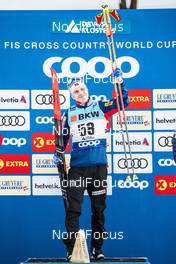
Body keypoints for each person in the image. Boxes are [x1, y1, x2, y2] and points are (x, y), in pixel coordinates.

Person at [53, 67, 129, 261]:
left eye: (83, 89)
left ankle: (97, 249)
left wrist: (121, 83)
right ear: (72, 95)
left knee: (98, 210)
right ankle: (71, 250)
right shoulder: (68, 114)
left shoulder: (101, 105)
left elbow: (122, 102)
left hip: (98, 168)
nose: (81, 93)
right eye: (76, 91)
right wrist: (58, 153)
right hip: (77, 169)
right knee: (73, 210)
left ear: (87, 89)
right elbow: (62, 140)